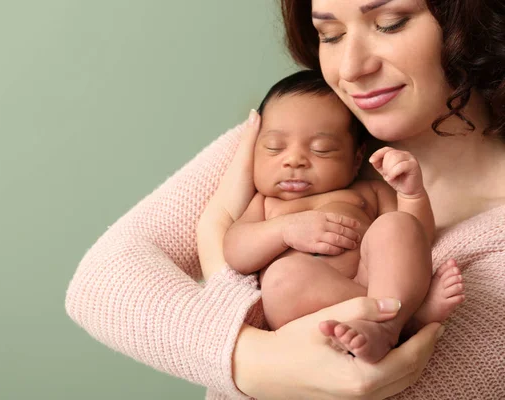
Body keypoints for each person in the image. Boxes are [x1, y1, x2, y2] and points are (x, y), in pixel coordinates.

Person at [65, 0, 505, 398]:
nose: (350, 69)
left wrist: (217, 258)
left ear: (471, 19)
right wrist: (255, 359)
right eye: (330, 35)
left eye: (390, 24)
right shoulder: (302, 134)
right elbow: (100, 283)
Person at [222, 70, 464, 363]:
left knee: (396, 225)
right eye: (275, 147)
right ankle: (403, 318)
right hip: (308, 304)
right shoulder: (266, 204)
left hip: (371, 278)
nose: (294, 160)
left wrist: (411, 195)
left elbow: (417, 239)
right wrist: (284, 230)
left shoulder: (367, 193)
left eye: (321, 149)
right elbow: (235, 250)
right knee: (281, 280)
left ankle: (387, 322)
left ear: (357, 158)